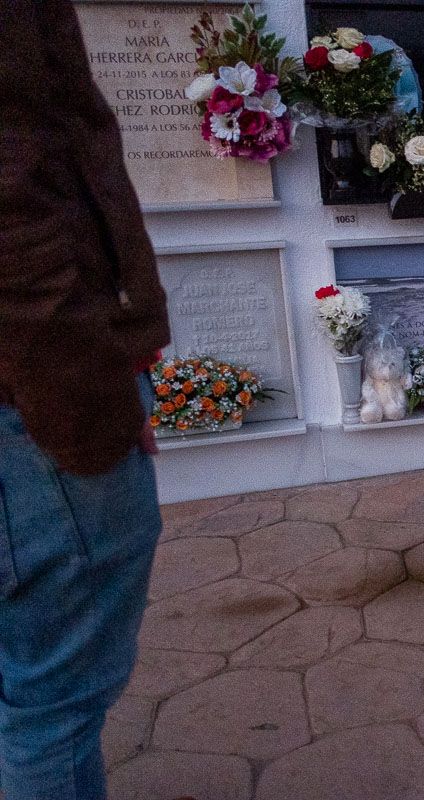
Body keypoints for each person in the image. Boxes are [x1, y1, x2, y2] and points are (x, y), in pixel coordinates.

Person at [0, 3, 177, 798]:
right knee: (54, 702)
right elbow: (14, 214)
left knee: (26, 682)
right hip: (38, 399)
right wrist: (94, 409)